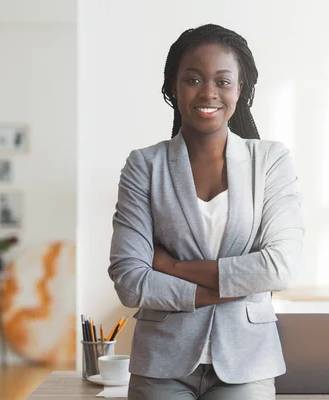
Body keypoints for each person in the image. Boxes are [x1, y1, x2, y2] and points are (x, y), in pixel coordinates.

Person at [108, 23, 304, 400]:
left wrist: (173, 267)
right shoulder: (145, 166)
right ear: (173, 87)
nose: (208, 92)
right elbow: (130, 281)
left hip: (247, 362)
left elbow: (281, 266)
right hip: (162, 361)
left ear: (240, 90)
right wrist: (233, 289)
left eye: (223, 81)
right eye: (193, 79)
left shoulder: (270, 161)